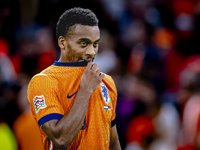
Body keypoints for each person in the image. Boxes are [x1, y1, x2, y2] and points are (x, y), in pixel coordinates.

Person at [27, 7, 121, 150]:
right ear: (62, 43)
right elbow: (60, 139)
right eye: (84, 43)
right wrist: (85, 91)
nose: (91, 52)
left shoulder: (106, 82)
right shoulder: (44, 81)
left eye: (95, 44)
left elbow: (113, 142)